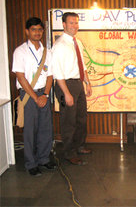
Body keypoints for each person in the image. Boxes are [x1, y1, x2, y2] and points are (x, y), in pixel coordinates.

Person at [12, 17, 56, 176]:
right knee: (30, 130)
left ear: (42, 32)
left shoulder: (47, 52)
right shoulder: (20, 51)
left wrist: (44, 94)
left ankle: (44, 159)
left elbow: (50, 75)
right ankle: (31, 164)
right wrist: (35, 97)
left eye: (39, 30)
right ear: (27, 31)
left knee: (46, 128)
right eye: (33, 29)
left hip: (44, 92)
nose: (37, 32)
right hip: (28, 95)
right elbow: (20, 77)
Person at [52, 12, 92, 165]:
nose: (74, 26)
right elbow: (57, 72)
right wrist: (66, 93)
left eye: (76, 23)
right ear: (64, 25)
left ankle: (80, 146)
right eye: (71, 23)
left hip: (78, 83)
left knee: (81, 118)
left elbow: (82, 65)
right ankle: (69, 153)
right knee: (69, 121)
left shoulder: (77, 42)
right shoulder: (59, 45)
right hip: (65, 85)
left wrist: (87, 83)